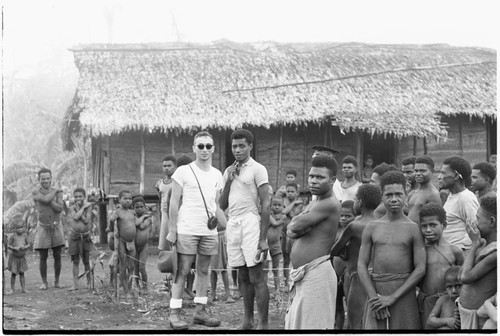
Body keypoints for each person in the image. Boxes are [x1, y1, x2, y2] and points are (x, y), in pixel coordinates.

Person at [167, 131, 223, 330]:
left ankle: (200, 311)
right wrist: (172, 230)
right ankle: (174, 314)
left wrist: (223, 224)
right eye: (200, 146)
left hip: (208, 231)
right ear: (194, 148)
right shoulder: (183, 172)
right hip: (187, 228)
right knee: (182, 270)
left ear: (213, 148)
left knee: (203, 270)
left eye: (208, 146)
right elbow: (173, 202)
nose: (205, 150)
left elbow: (215, 204)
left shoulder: (217, 174)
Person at [358, 171, 426, 330]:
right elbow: (361, 264)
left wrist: (393, 298)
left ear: (406, 194)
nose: (394, 199)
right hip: (376, 292)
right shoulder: (372, 227)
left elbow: (421, 268)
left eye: (398, 194)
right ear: (382, 196)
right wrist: (374, 298)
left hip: (403, 294)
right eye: (389, 195)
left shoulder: (413, 228)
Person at [220, 129, 270, 330]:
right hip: (233, 223)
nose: (238, 150)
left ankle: (263, 324)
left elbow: (266, 204)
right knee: (242, 275)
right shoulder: (228, 171)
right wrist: (230, 179)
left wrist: (263, 238)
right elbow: (222, 204)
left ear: (250, 146)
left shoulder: (258, 169)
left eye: (242, 146)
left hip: (251, 221)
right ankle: (247, 321)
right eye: (234, 146)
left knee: (256, 276)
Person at [285, 155, 340, 329]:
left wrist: (299, 225)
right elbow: (290, 231)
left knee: (314, 326)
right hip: (304, 274)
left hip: (317, 273)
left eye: (320, 177)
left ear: (332, 180)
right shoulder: (315, 202)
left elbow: (294, 225)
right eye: (311, 176)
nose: (314, 181)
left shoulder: (329, 203)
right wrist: (298, 226)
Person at [330, 184, 382, 329]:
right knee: (371, 321)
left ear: (360, 203)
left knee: (354, 321)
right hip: (377, 277)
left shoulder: (354, 226)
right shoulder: (381, 223)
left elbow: (334, 250)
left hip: (357, 276)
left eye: (355, 199)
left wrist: (344, 253)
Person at [417, 203, 464, 328]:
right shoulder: (420, 251)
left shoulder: (454, 251)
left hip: (449, 301)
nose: (428, 230)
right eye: (424, 226)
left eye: (433, 225)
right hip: (426, 302)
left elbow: (464, 277)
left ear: (444, 225)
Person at [457, 196, 497, 329]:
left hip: (478, 318)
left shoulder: (495, 253)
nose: (475, 222)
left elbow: (465, 277)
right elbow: (460, 274)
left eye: (478, 218)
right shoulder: (483, 244)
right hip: (466, 313)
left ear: (491, 221)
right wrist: (476, 245)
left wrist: (474, 244)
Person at [32, 168, 65, 290]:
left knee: (58, 255)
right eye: (43, 179)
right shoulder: (36, 192)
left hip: (57, 225)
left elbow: (59, 209)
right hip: (42, 226)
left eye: (48, 178)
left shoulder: (59, 193)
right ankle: (44, 282)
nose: (46, 181)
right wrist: (53, 193)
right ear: (39, 179)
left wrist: (48, 199)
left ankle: (57, 281)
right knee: (43, 256)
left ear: (51, 178)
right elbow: (45, 200)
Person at [438, 156, 479, 252]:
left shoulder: (466, 198)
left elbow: (475, 230)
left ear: (456, 176)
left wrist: (460, 250)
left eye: (443, 173)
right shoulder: (452, 195)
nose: (439, 177)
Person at [109, 190, 136, 298]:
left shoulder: (132, 212)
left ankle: (129, 288)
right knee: (123, 265)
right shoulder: (117, 212)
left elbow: (136, 223)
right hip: (121, 242)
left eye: (130, 198)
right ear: (119, 200)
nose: (128, 201)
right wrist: (111, 224)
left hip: (131, 242)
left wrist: (144, 217)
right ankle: (125, 291)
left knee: (131, 266)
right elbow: (111, 224)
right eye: (125, 198)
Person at [333, 200, 356, 329]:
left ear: (355, 216)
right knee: (337, 306)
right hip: (336, 273)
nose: (343, 218)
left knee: (350, 304)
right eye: (341, 215)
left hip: (349, 272)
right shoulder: (335, 231)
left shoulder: (355, 232)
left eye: (348, 216)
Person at [67, 187, 93, 291]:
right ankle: (75, 284)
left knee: (86, 261)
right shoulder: (72, 207)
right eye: (76, 196)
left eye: (80, 196)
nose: (78, 198)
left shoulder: (89, 207)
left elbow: (86, 221)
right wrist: (81, 209)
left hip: (85, 236)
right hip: (74, 236)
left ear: (84, 197)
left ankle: (89, 282)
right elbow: (76, 217)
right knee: (75, 261)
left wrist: (80, 210)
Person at [280, 182, 303, 291]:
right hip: (284, 234)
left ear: (297, 192)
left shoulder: (300, 204)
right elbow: (283, 211)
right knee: (285, 259)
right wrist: (293, 203)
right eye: (288, 191)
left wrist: (289, 208)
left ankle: (295, 281)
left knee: (295, 258)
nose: (289, 193)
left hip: (294, 235)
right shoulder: (292, 203)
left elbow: (293, 216)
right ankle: (285, 282)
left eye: (292, 191)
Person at [407, 155, 442, 224]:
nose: (418, 174)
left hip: (422, 233)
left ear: (432, 172)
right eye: (416, 171)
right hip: (409, 232)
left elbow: (437, 221)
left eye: (422, 171)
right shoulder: (412, 193)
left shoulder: (433, 194)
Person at [209, 219, 234, 304]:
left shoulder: (220, 208)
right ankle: (212, 293)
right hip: (212, 236)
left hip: (221, 236)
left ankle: (228, 294)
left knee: (224, 266)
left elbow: (224, 223)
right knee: (213, 267)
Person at [155, 155, 177, 251]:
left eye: (169, 165)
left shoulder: (178, 181)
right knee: (164, 241)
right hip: (164, 214)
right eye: (164, 166)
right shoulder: (160, 182)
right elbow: (159, 198)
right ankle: (167, 264)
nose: (166, 168)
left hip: (176, 212)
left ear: (175, 166)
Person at [133, 197, 152, 292]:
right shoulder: (133, 217)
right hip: (134, 246)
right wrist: (142, 217)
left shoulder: (148, 218)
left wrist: (144, 217)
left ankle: (145, 286)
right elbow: (136, 223)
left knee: (141, 266)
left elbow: (141, 226)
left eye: (141, 207)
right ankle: (137, 286)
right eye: (137, 207)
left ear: (145, 207)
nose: (139, 209)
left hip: (144, 246)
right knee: (135, 267)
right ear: (133, 208)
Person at [267, 196, 286, 293]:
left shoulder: (283, 216)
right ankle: (265, 290)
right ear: (270, 206)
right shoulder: (267, 215)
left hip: (276, 244)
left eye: (279, 205)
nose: (277, 207)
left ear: (283, 206)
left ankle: (277, 289)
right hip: (266, 244)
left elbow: (280, 221)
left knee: (276, 268)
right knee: (264, 269)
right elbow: (274, 223)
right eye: (274, 205)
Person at [6, 222, 30, 294]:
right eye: (18, 228)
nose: (20, 229)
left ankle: (23, 288)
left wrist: (25, 247)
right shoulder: (13, 236)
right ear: (15, 229)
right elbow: (8, 245)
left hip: (22, 258)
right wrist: (14, 248)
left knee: (22, 273)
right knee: (13, 273)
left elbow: (28, 244)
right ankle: (12, 289)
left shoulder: (25, 236)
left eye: (21, 227)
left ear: (23, 228)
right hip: (14, 258)